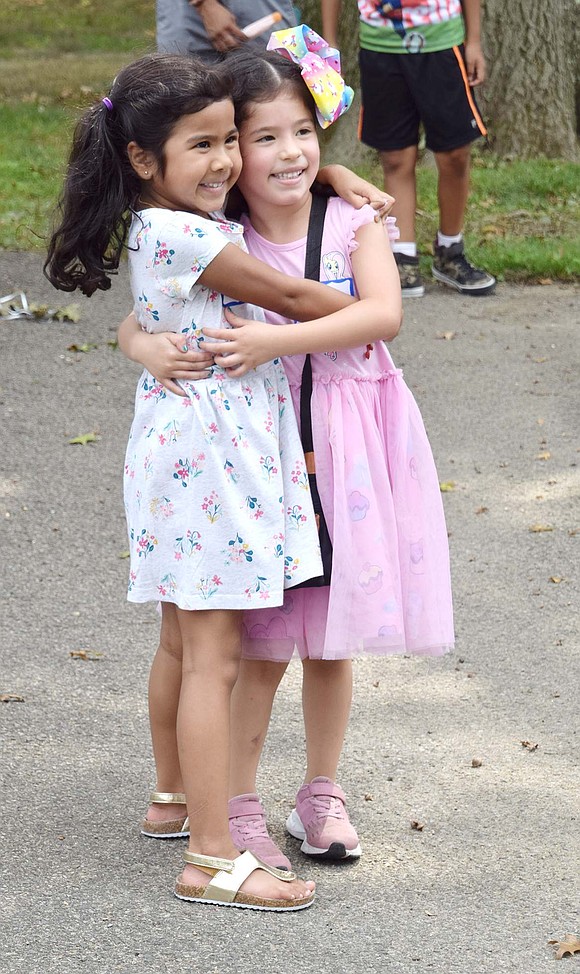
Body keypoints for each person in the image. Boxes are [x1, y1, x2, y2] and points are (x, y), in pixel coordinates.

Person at [44, 51, 398, 911]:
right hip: (210, 456)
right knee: (213, 656)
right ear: (141, 158)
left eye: (224, 141)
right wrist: (349, 217)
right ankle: (212, 856)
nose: (226, 161)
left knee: (180, 640)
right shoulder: (196, 235)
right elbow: (306, 300)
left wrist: (334, 179)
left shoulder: (158, 221)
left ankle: (173, 799)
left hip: (183, 447)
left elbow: (153, 313)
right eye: (204, 145)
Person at [120, 35, 453, 872]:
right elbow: (153, 303)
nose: (284, 152)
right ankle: (233, 802)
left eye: (302, 132)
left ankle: (322, 789)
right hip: (258, 470)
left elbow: (381, 315)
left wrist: (280, 342)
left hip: (345, 456)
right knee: (260, 647)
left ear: (324, 132)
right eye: (258, 136)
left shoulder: (350, 219)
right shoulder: (215, 226)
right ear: (231, 146)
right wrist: (137, 342)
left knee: (331, 646)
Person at [322, 0, 496, 298]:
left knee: (455, 154)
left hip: (442, 44)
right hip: (382, 47)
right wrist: (330, 41)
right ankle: (402, 257)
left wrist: (475, 41)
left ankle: (450, 251)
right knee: (395, 157)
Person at [156, 0, 296, 61]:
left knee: (275, 89)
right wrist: (205, 4)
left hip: (261, 8)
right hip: (187, 13)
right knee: (187, 102)